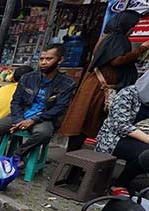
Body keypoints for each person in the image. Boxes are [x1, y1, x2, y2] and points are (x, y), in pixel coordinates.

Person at [61, 11, 149, 151]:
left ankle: (75, 161)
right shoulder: (117, 39)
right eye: (134, 25)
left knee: (84, 124)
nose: (134, 29)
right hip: (99, 90)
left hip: (95, 87)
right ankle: (76, 162)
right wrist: (141, 49)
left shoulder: (107, 38)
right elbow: (117, 60)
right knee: (87, 123)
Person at [0, 44, 76, 160]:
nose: (44, 62)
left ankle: (17, 156)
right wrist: (19, 120)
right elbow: (16, 101)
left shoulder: (67, 84)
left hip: (43, 118)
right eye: (41, 59)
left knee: (43, 134)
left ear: (60, 60)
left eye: (49, 59)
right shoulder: (28, 78)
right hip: (21, 114)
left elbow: (59, 109)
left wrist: (33, 120)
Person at [95, 71, 149, 190]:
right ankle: (121, 185)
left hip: (139, 140)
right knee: (146, 154)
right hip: (113, 138)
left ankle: (125, 183)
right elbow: (121, 125)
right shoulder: (128, 93)